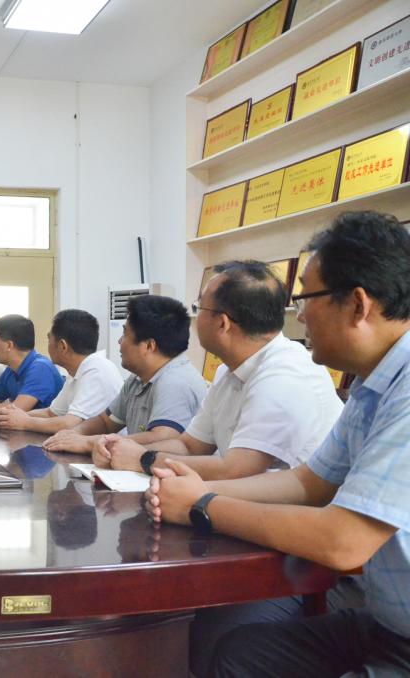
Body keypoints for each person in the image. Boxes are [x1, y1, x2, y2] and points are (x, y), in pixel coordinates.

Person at [145, 211, 410, 677]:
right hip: (387, 625)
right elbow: (308, 483)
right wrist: (194, 491)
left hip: (395, 633)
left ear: (358, 304)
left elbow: (344, 542)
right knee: (236, 653)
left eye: (306, 298)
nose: (299, 316)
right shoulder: (373, 386)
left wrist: (202, 505)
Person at [96, 260, 343, 480]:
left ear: (222, 323)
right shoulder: (228, 372)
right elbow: (190, 446)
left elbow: (236, 471)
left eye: (199, 308)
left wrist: (144, 460)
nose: (194, 318)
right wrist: (121, 448)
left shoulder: (283, 374)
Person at [42, 295, 206, 454]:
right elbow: (105, 422)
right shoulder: (137, 379)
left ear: (149, 346)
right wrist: (74, 434)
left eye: (125, 334)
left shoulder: (175, 381)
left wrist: (89, 443)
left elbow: (162, 438)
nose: (119, 341)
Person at [0, 309, 122, 433]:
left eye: (49, 339)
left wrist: (25, 421)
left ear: (62, 346)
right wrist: (13, 415)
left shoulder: (96, 370)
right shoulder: (77, 372)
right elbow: (51, 413)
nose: (48, 345)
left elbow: (70, 424)